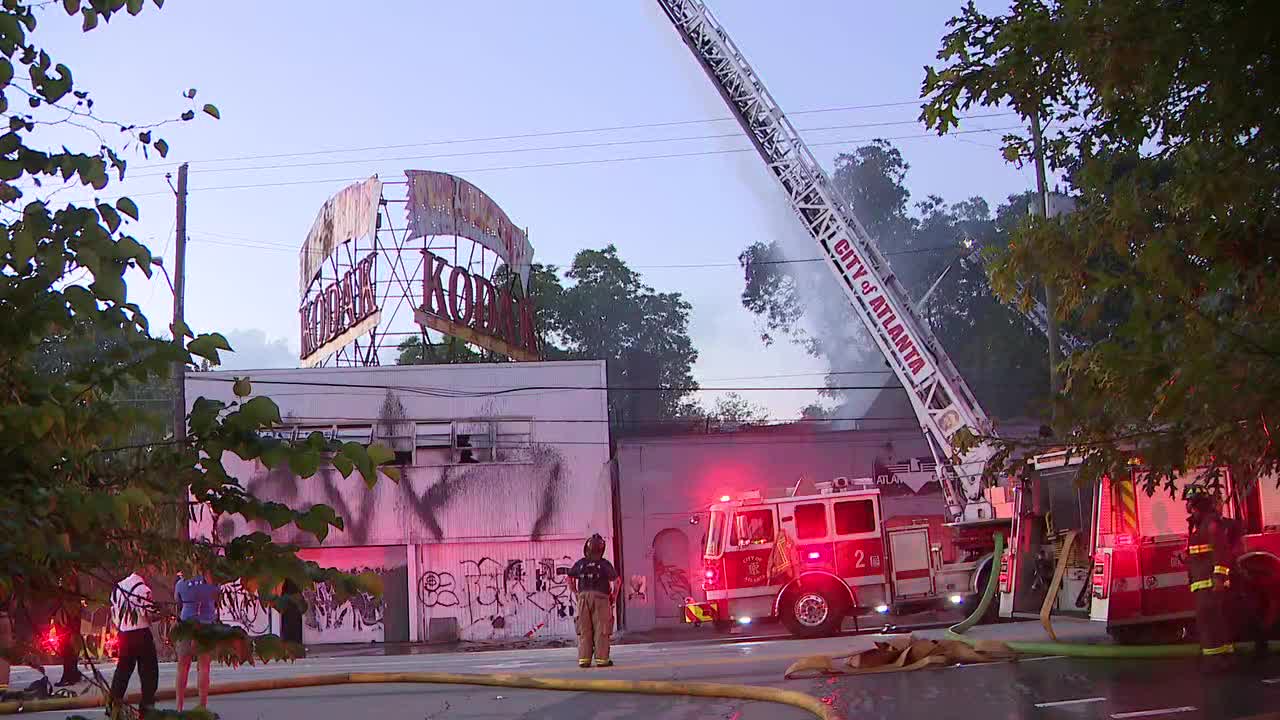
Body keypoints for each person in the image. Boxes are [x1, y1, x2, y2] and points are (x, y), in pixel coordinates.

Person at [1184, 485, 1236, 671]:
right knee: (1210, 622)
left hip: (1210, 585)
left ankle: (1217, 661)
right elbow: (1203, 553)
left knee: (1211, 622)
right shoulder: (1199, 525)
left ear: (1197, 504)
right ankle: (1219, 658)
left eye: (1189, 502)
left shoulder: (1211, 524)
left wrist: (1219, 578)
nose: (1187, 506)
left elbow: (1221, 552)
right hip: (1202, 585)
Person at [108, 570, 158, 715]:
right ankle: (146, 709)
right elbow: (147, 614)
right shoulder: (143, 590)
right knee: (149, 673)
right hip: (141, 634)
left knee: (122, 672)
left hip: (124, 634)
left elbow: (114, 612)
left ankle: (113, 706)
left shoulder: (118, 587)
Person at [567, 533, 619, 668]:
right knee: (602, 628)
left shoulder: (580, 563)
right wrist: (614, 595)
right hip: (601, 599)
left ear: (587, 548)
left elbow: (569, 577)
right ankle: (602, 660)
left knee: (584, 629)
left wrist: (575, 592)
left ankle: (584, 659)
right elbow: (617, 581)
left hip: (583, 598)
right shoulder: (605, 564)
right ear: (602, 549)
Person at [174, 570, 219, 712]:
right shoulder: (211, 582)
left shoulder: (181, 583)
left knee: (182, 667)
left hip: (186, 626)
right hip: (205, 626)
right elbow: (218, 598)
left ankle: (179, 707)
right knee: (204, 667)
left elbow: (177, 601)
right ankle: (202, 706)